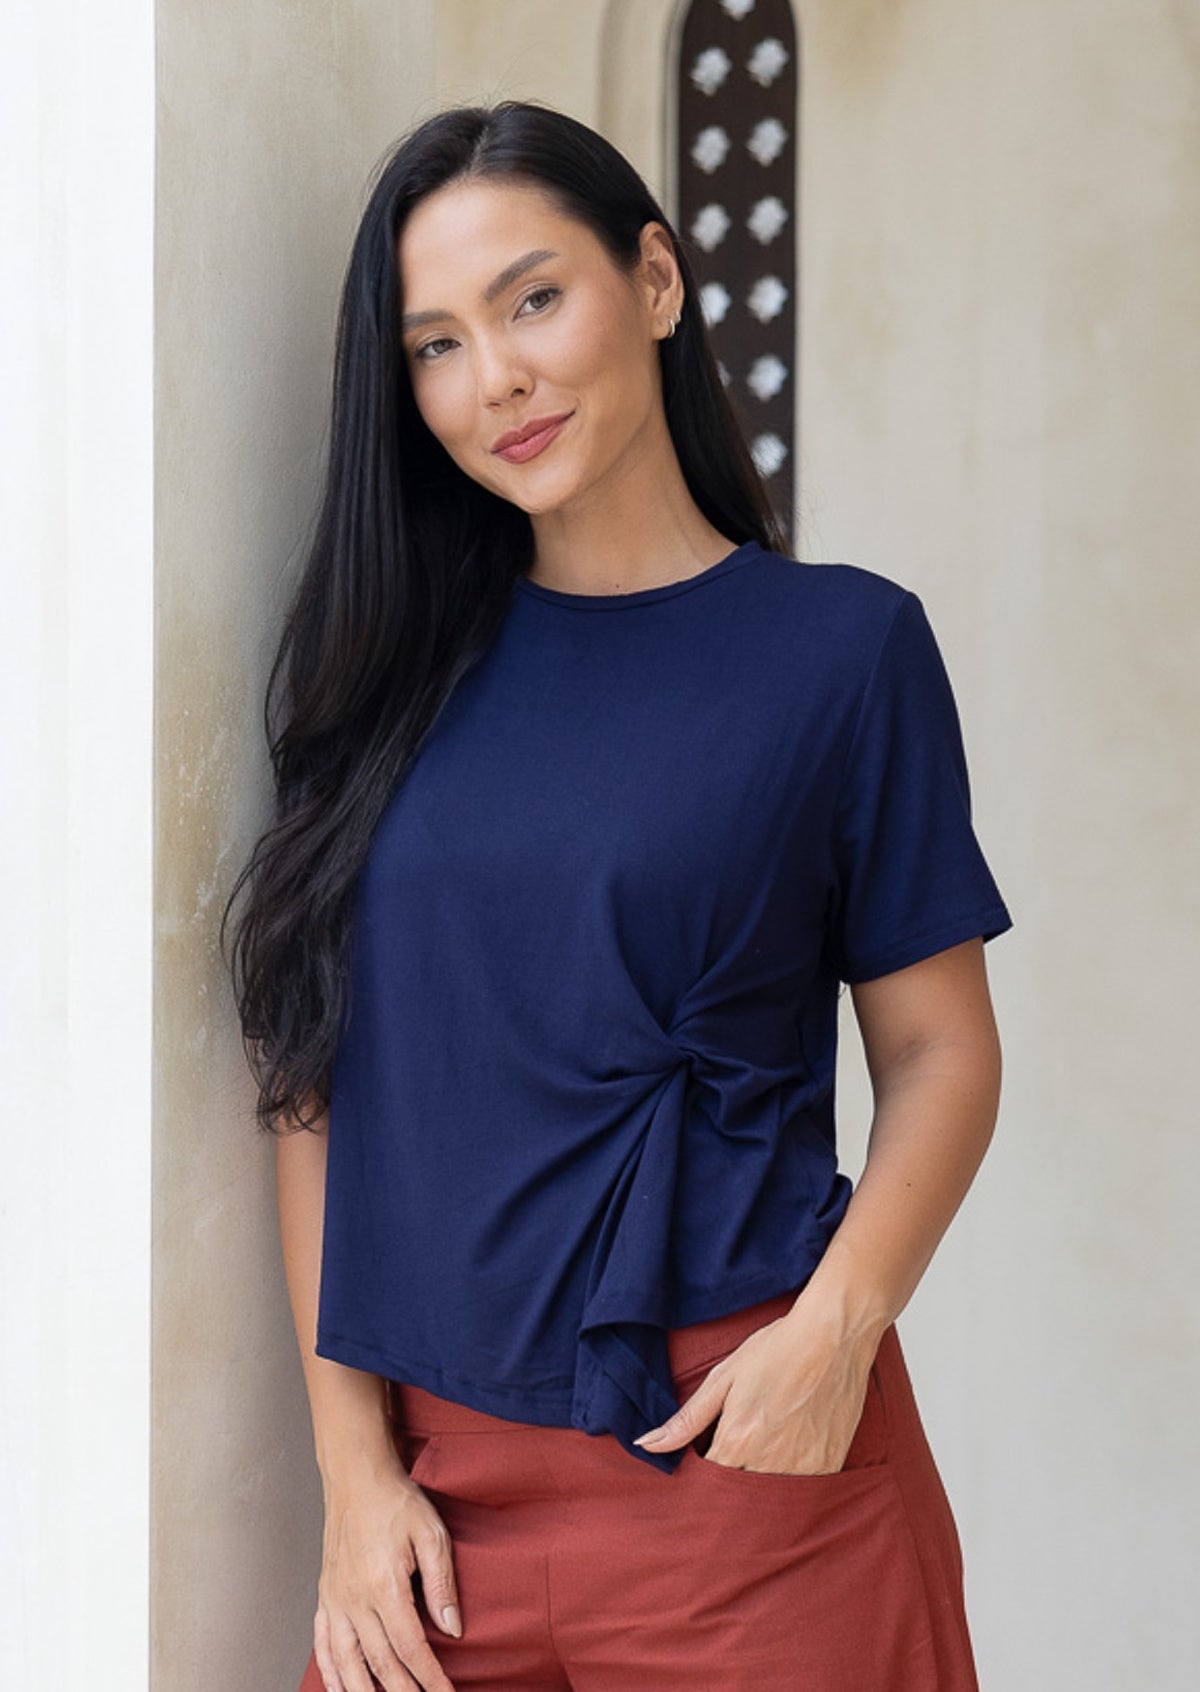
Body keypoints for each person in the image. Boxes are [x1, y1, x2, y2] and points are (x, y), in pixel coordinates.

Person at [224, 97, 1013, 1692]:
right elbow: (311, 1088)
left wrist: (839, 1332)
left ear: (654, 280)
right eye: (435, 344)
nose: (494, 376)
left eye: (532, 298)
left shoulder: (843, 654)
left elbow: (941, 1053)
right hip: (434, 1525)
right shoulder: (384, 678)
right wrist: (352, 1472)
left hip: (753, 1474)